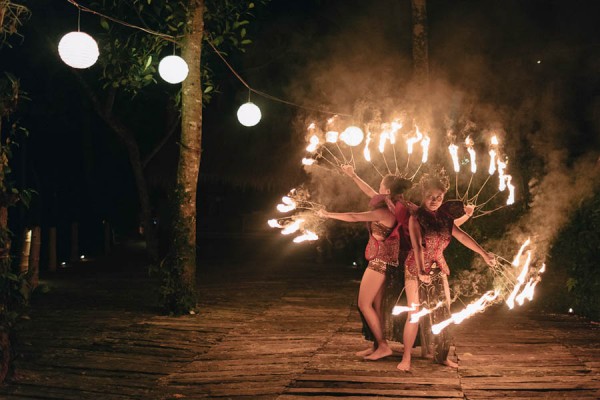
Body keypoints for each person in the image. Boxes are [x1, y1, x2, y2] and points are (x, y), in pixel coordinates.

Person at [396, 172, 495, 372]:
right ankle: (406, 358)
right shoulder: (416, 218)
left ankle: (442, 356)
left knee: (444, 312)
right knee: (414, 313)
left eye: (439, 197)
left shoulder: (445, 218)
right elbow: (417, 246)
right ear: (423, 194)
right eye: (431, 196)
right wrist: (422, 271)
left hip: (439, 267)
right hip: (416, 267)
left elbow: (462, 236)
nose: (435, 201)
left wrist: (484, 254)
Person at [318, 168, 412, 360]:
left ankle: (384, 346)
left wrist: (327, 214)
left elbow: (354, 216)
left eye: (381, 187)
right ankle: (378, 345)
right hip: (386, 261)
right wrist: (353, 175)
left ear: (386, 191)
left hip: (379, 262)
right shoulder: (393, 205)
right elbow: (369, 191)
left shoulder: (384, 212)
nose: (376, 190)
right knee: (377, 306)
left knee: (364, 303)